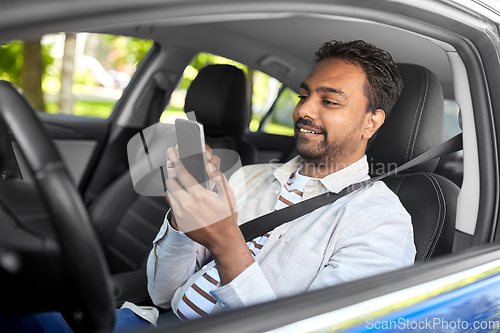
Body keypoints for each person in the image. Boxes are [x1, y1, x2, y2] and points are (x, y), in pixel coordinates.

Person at [147, 40, 415, 324]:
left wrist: (226, 242)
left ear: (371, 123)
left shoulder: (382, 223)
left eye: (330, 101)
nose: (303, 111)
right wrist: (182, 217)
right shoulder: (249, 177)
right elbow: (161, 295)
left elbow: (319, 329)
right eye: (303, 96)